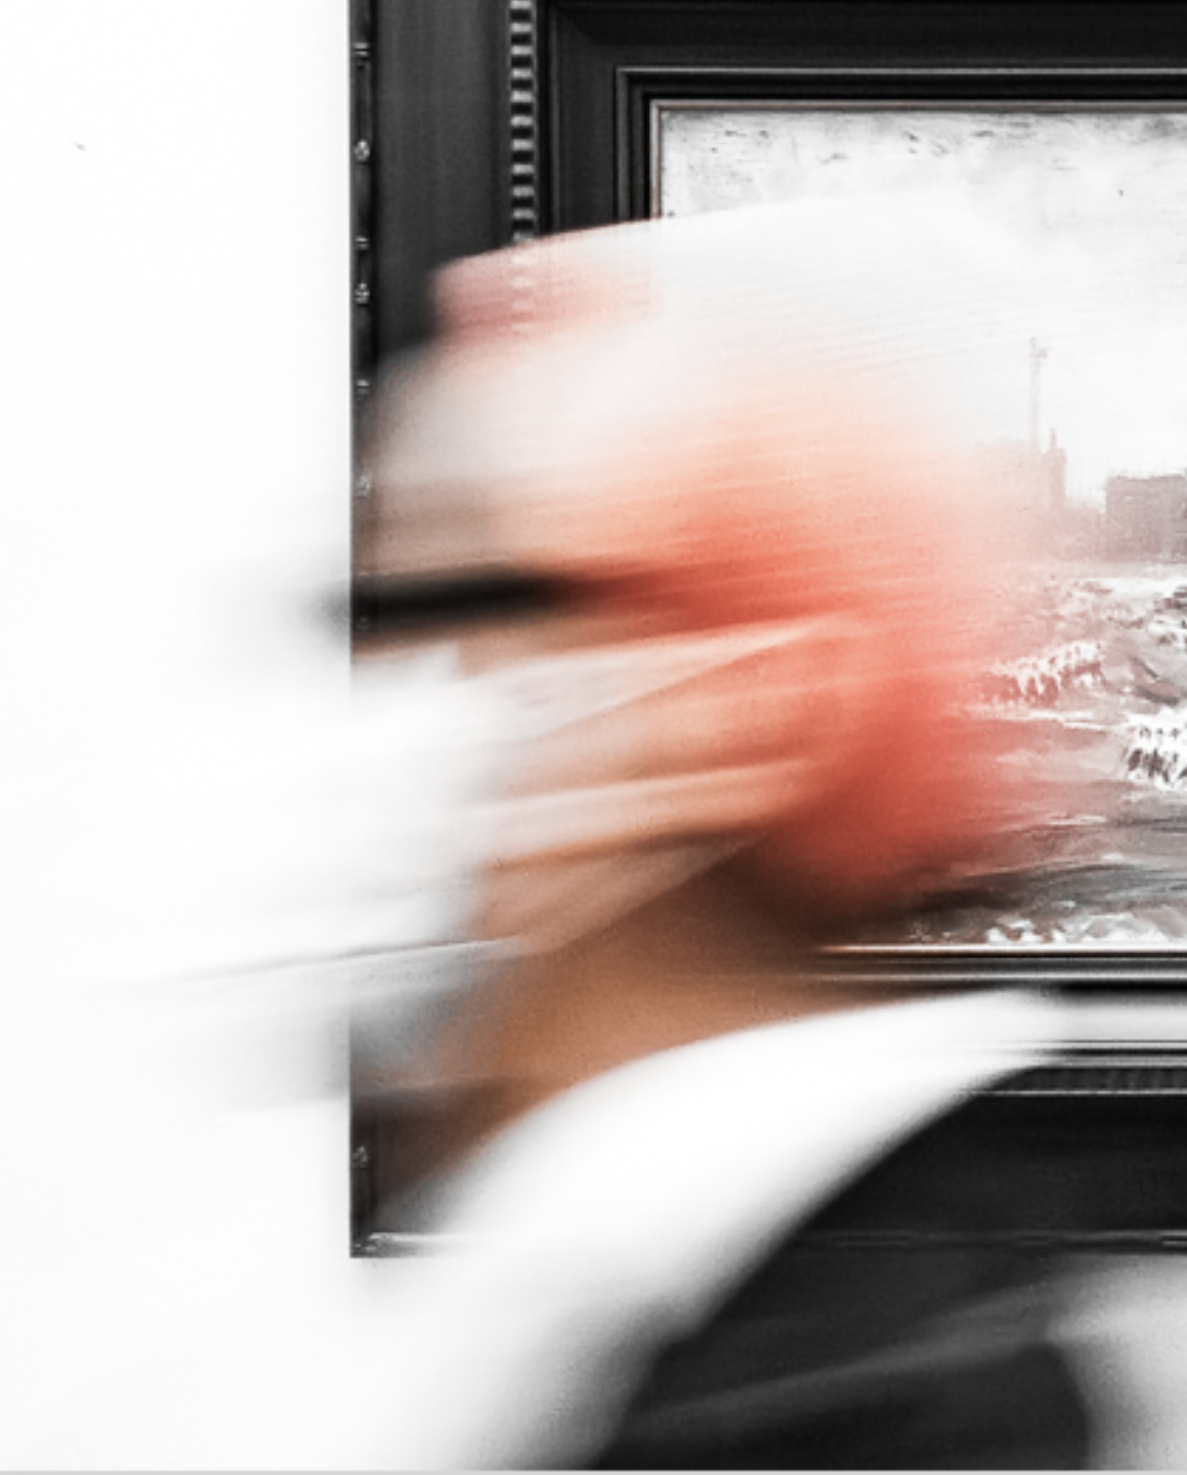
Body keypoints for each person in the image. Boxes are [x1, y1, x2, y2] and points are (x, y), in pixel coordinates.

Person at [341, 215, 1095, 1468]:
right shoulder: (637, 1309)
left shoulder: (861, 1402)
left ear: (757, 707)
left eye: (465, 598)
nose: (385, 689)